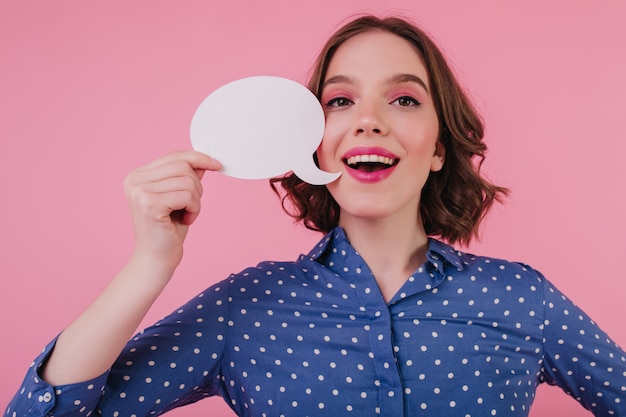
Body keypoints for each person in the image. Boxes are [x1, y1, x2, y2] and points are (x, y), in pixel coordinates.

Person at [6, 14, 625, 417]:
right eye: (340, 100)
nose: (368, 118)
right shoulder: (245, 307)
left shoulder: (521, 299)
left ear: (438, 147)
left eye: (404, 98)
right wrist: (149, 263)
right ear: (313, 141)